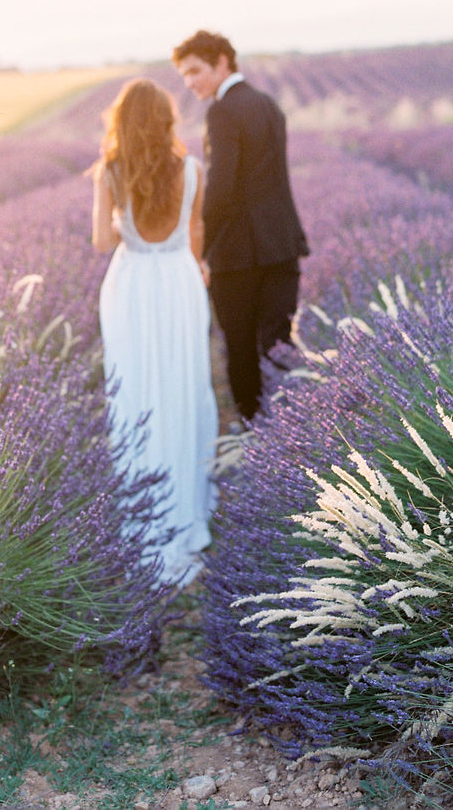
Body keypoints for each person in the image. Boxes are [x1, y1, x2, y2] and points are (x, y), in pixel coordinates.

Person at [91, 78, 219, 585]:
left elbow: (102, 242)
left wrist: (116, 208)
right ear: (166, 119)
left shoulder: (111, 172)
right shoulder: (191, 169)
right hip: (179, 282)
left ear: (122, 122)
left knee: (137, 393)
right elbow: (195, 235)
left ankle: (145, 513)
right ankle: (188, 511)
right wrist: (199, 269)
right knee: (184, 386)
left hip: (133, 286)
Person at [172, 30, 308, 422]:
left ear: (222, 62)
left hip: (237, 255)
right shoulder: (268, 104)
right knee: (279, 347)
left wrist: (199, 248)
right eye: (184, 76)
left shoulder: (222, 111)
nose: (190, 82)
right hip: (282, 246)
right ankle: (293, 428)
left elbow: (221, 189)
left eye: (196, 71)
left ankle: (254, 432)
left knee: (241, 349)